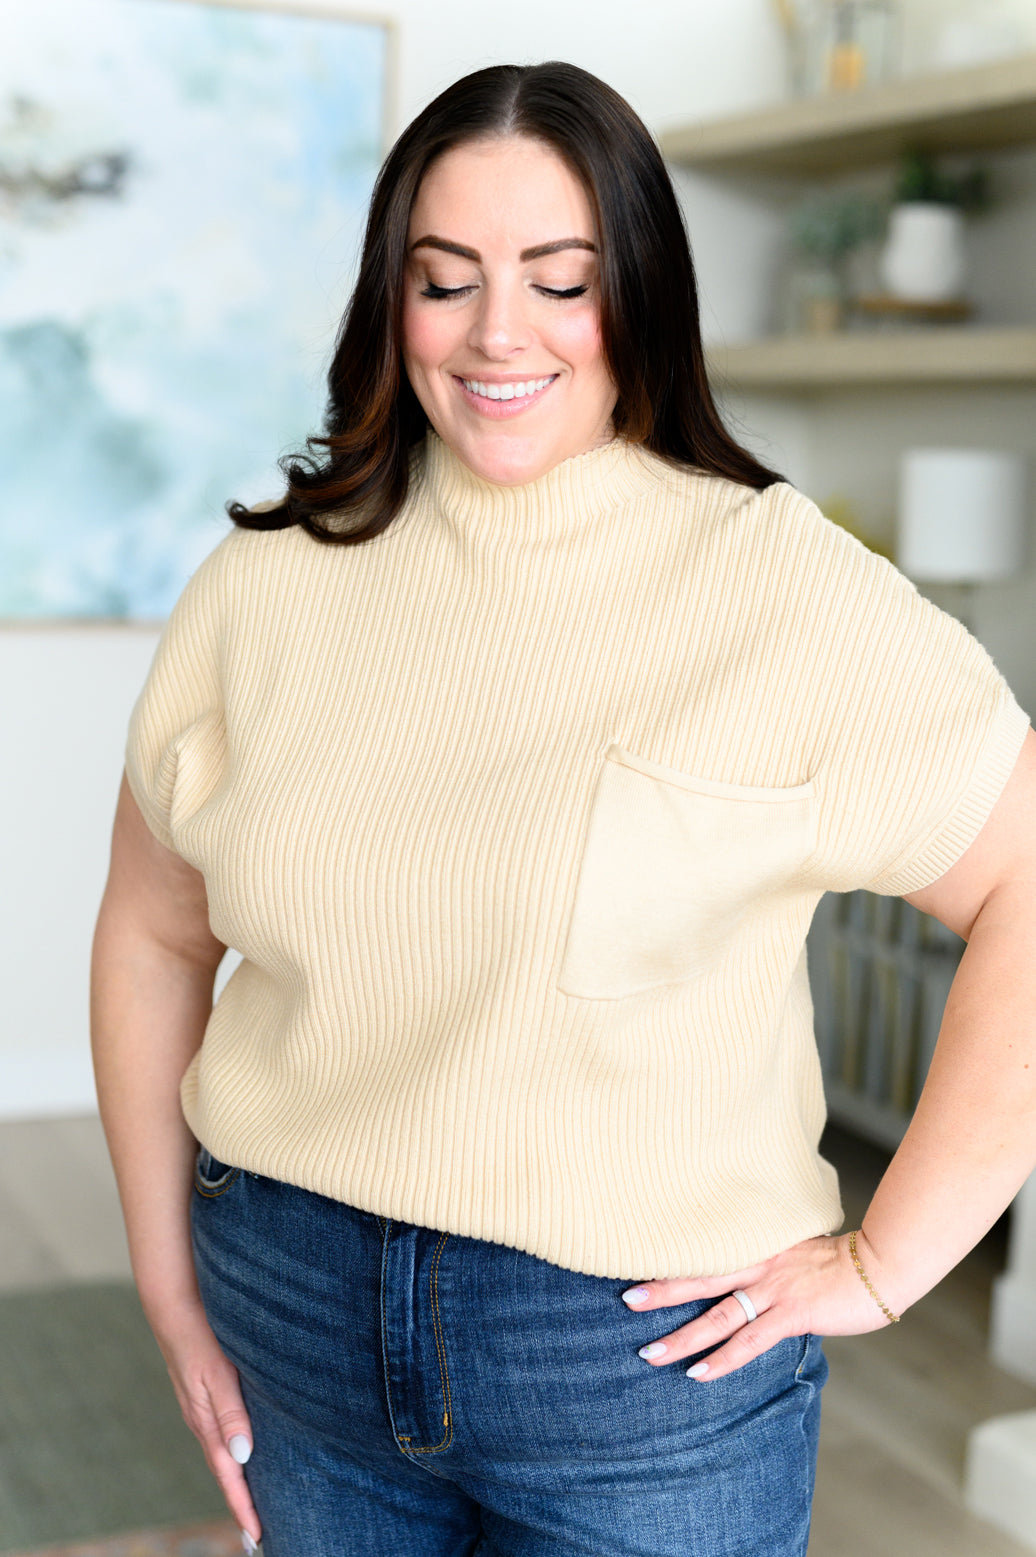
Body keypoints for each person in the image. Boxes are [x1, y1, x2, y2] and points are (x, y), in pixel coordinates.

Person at [91, 60, 1036, 1557]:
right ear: (391, 300)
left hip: (637, 1372)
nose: (497, 332)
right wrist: (163, 1280)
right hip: (291, 1308)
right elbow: (154, 935)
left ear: (638, 289)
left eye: (560, 279)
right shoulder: (266, 584)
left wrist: (887, 1263)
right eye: (445, 280)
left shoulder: (778, 588)